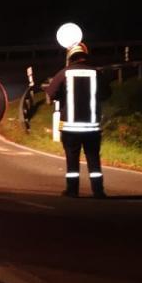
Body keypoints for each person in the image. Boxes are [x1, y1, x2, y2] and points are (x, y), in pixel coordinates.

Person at [45, 42, 106, 198]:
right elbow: (107, 93)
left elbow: (51, 93)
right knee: (93, 159)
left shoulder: (64, 73)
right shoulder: (96, 73)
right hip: (91, 128)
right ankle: (98, 191)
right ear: (85, 57)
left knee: (72, 161)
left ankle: (72, 191)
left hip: (70, 128)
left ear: (71, 57)